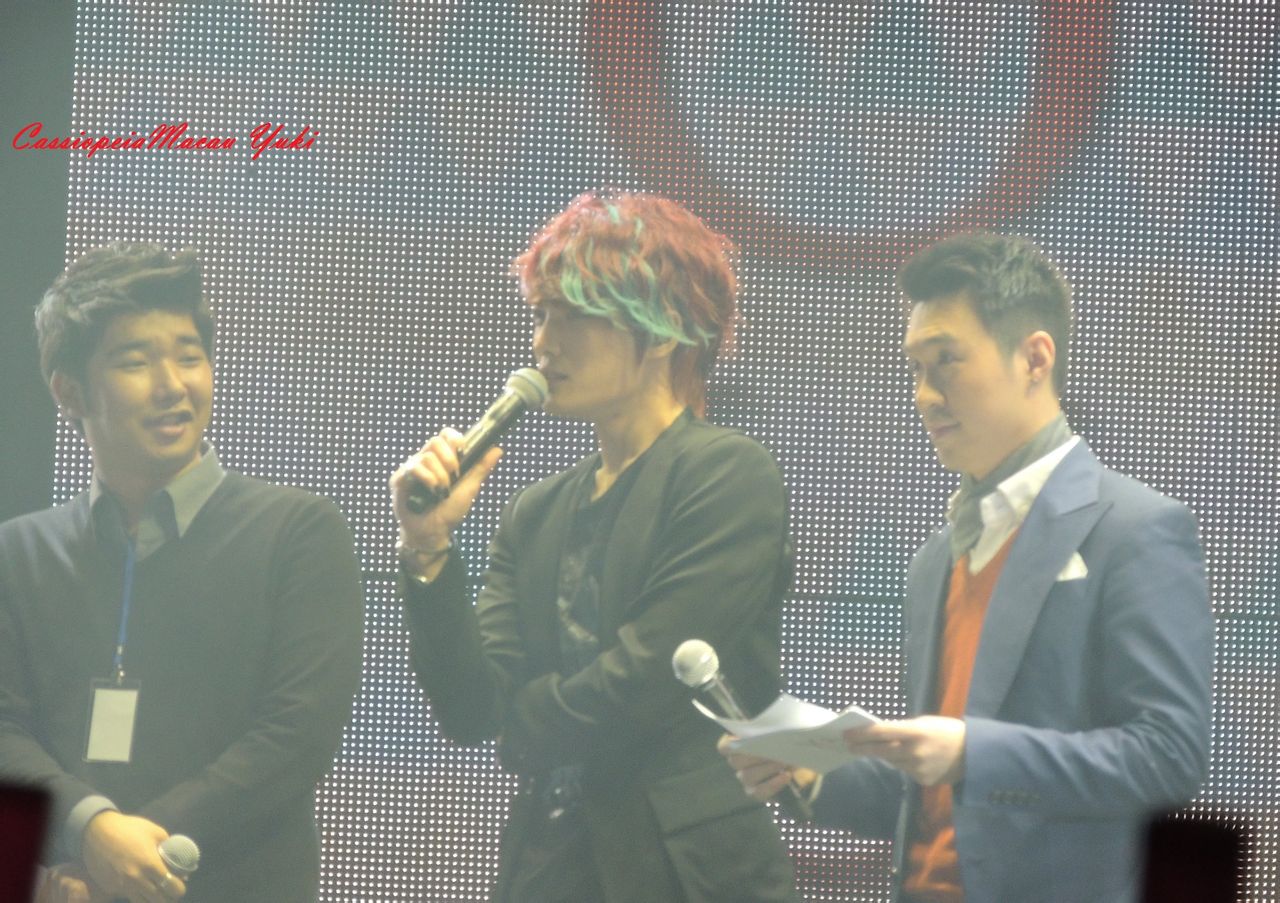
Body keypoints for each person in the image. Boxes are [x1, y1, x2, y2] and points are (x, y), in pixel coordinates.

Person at [722, 232, 1213, 903]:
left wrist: (972, 751)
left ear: (1034, 358)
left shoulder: (1133, 528)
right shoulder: (935, 559)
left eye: (946, 361)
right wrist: (808, 771)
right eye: (915, 369)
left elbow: (1169, 754)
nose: (923, 395)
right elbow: (933, 794)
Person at [391, 190, 799, 902]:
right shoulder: (538, 510)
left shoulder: (725, 473)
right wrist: (426, 547)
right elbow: (471, 708)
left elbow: (648, 677)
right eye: (540, 314)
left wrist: (521, 726)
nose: (543, 343)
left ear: (663, 330)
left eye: (573, 314)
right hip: (548, 864)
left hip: (684, 869)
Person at [0, 244, 365, 903]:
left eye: (190, 356)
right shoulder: (18, 553)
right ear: (68, 391)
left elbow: (295, 738)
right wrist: (89, 829)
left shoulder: (298, 532)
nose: (172, 384)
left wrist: (122, 854)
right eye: (135, 361)